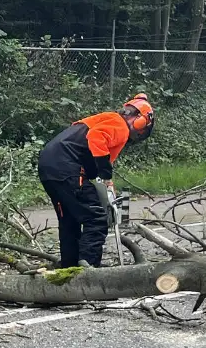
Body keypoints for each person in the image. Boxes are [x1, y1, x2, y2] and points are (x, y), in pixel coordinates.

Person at [37, 93, 155, 268]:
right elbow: (96, 138)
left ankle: (69, 268)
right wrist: (105, 172)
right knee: (97, 219)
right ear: (139, 120)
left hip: (49, 166)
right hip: (67, 168)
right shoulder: (119, 125)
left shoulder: (105, 119)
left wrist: (105, 182)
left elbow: (89, 152)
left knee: (70, 220)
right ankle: (89, 270)